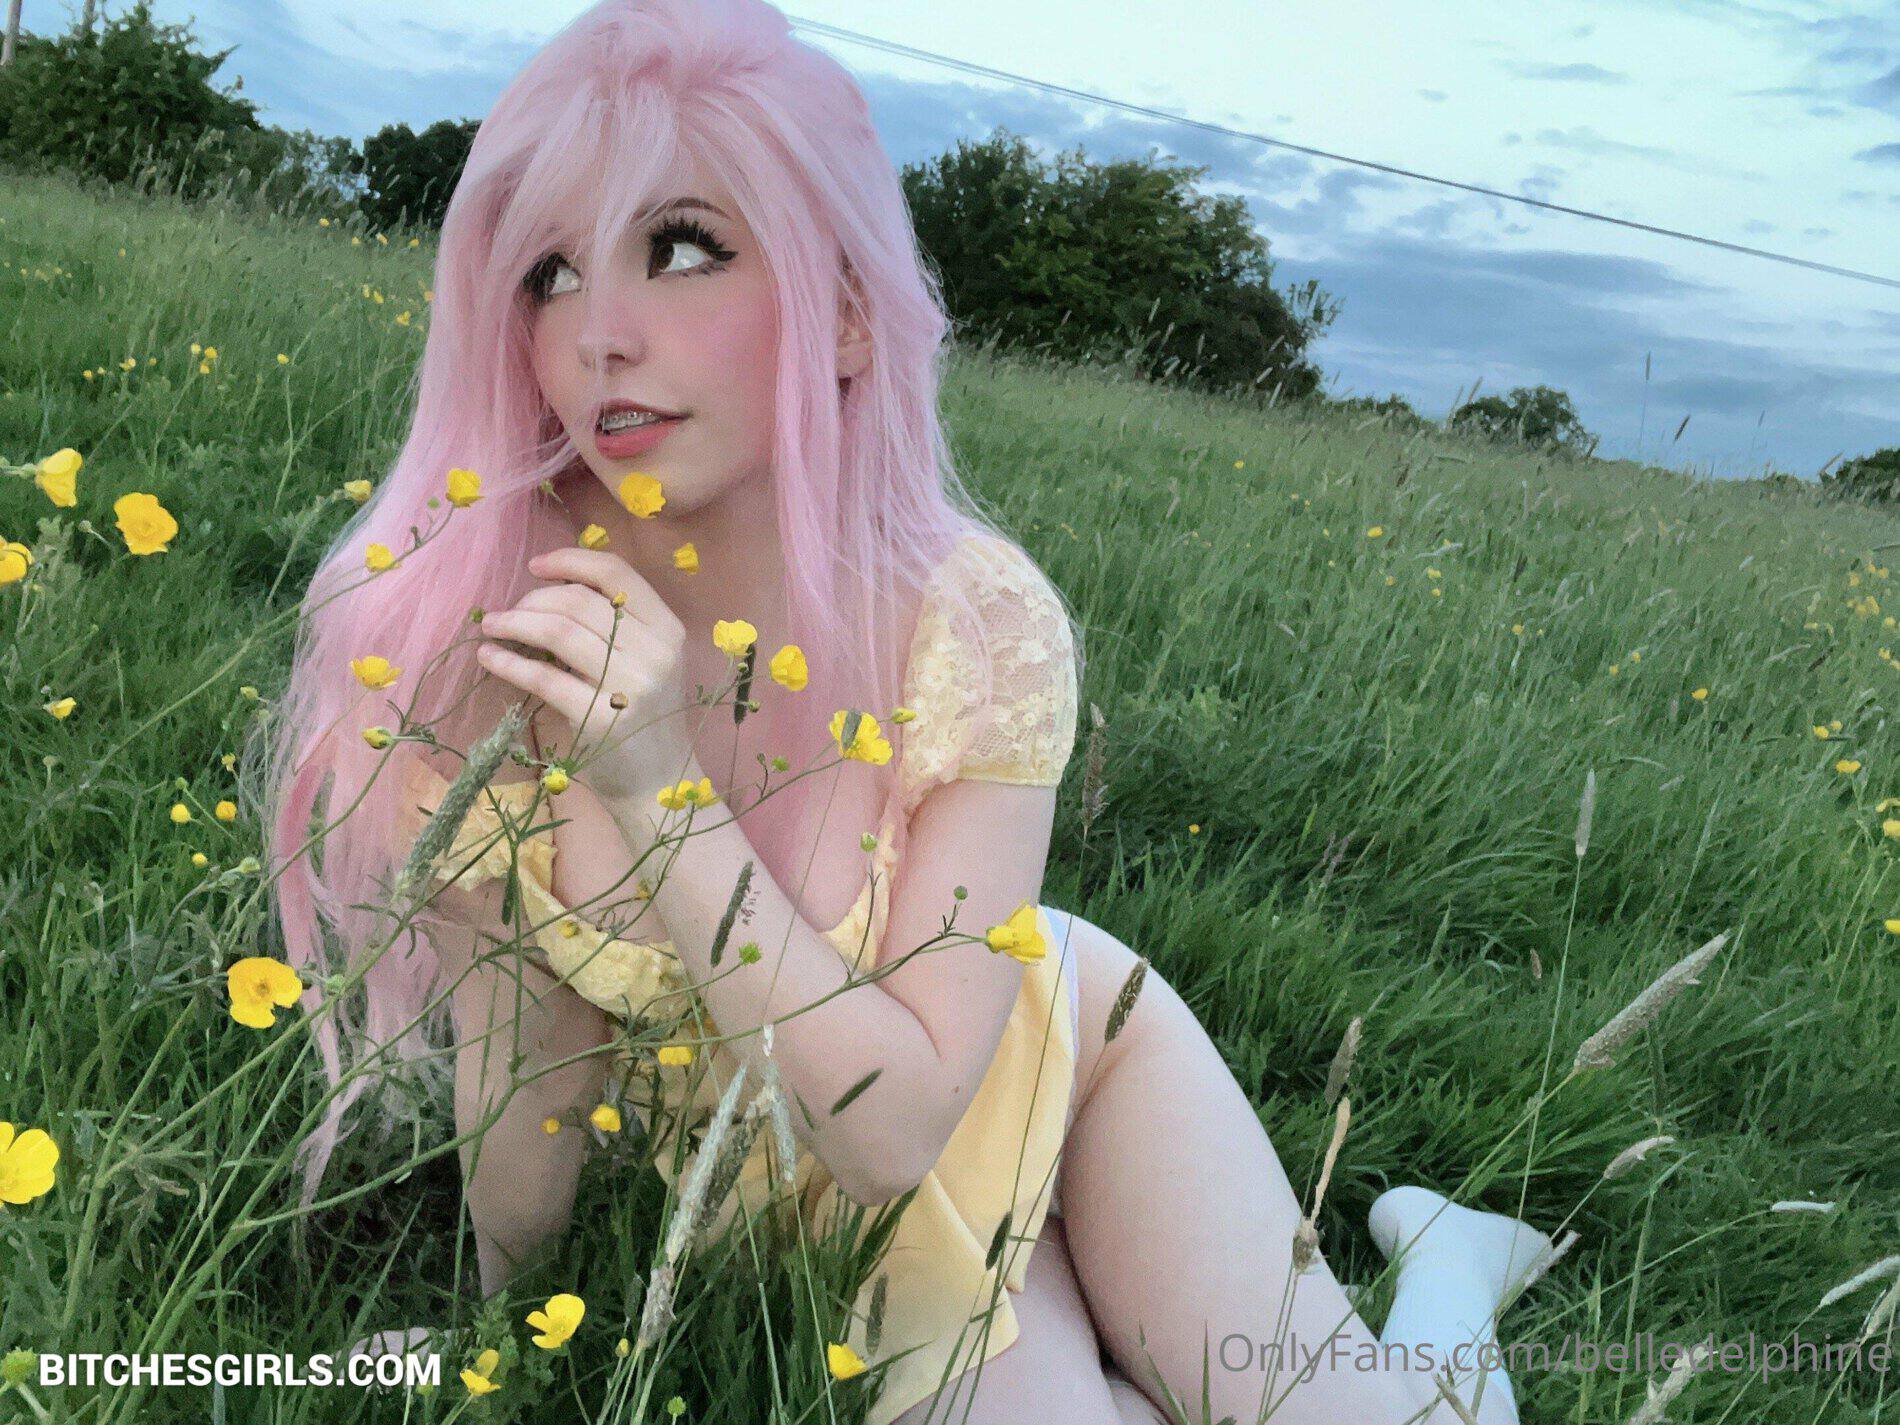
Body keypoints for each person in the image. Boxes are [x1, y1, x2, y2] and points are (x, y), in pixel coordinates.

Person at [257, 2, 1557, 1421]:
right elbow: (524, 1062)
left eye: (680, 248)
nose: (601, 335)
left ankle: (1447, 1269)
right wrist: (512, 1343)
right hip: (819, 1218)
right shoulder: (492, 617)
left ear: (849, 313)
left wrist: (655, 785)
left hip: (1034, 1079)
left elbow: (893, 1132)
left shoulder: (973, 624)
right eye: (551, 273)